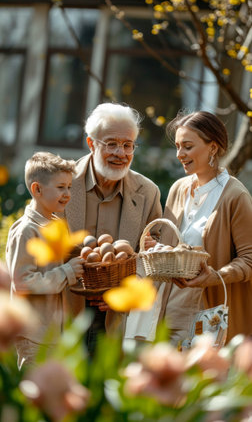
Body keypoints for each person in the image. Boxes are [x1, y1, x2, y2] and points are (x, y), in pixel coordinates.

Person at [65, 102, 162, 355]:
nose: (121, 153)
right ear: (91, 143)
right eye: (111, 143)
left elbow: (152, 256)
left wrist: (124, 290)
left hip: (116, 320)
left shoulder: (148, 192)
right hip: (62, 312)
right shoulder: (60, 182)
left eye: (128, 145)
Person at [158, 110, 252, 345]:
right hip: (169, 309)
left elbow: (249, 259)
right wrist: (156, 247)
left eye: (187, 147)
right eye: (178, 146)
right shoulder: (178, 188)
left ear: (213, 147)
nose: (180, 154)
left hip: (210, 312)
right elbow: (170, 247)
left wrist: (215, 276)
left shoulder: (235, 195)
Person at [6, 152, 85, 368]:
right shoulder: (26, 230)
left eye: (69, 187)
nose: (67, 194)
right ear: (37, 189)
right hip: (32, 336)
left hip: (51, 335)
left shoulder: (53, 225)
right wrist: (67, 272)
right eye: (61, 187)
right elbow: (22, 282)